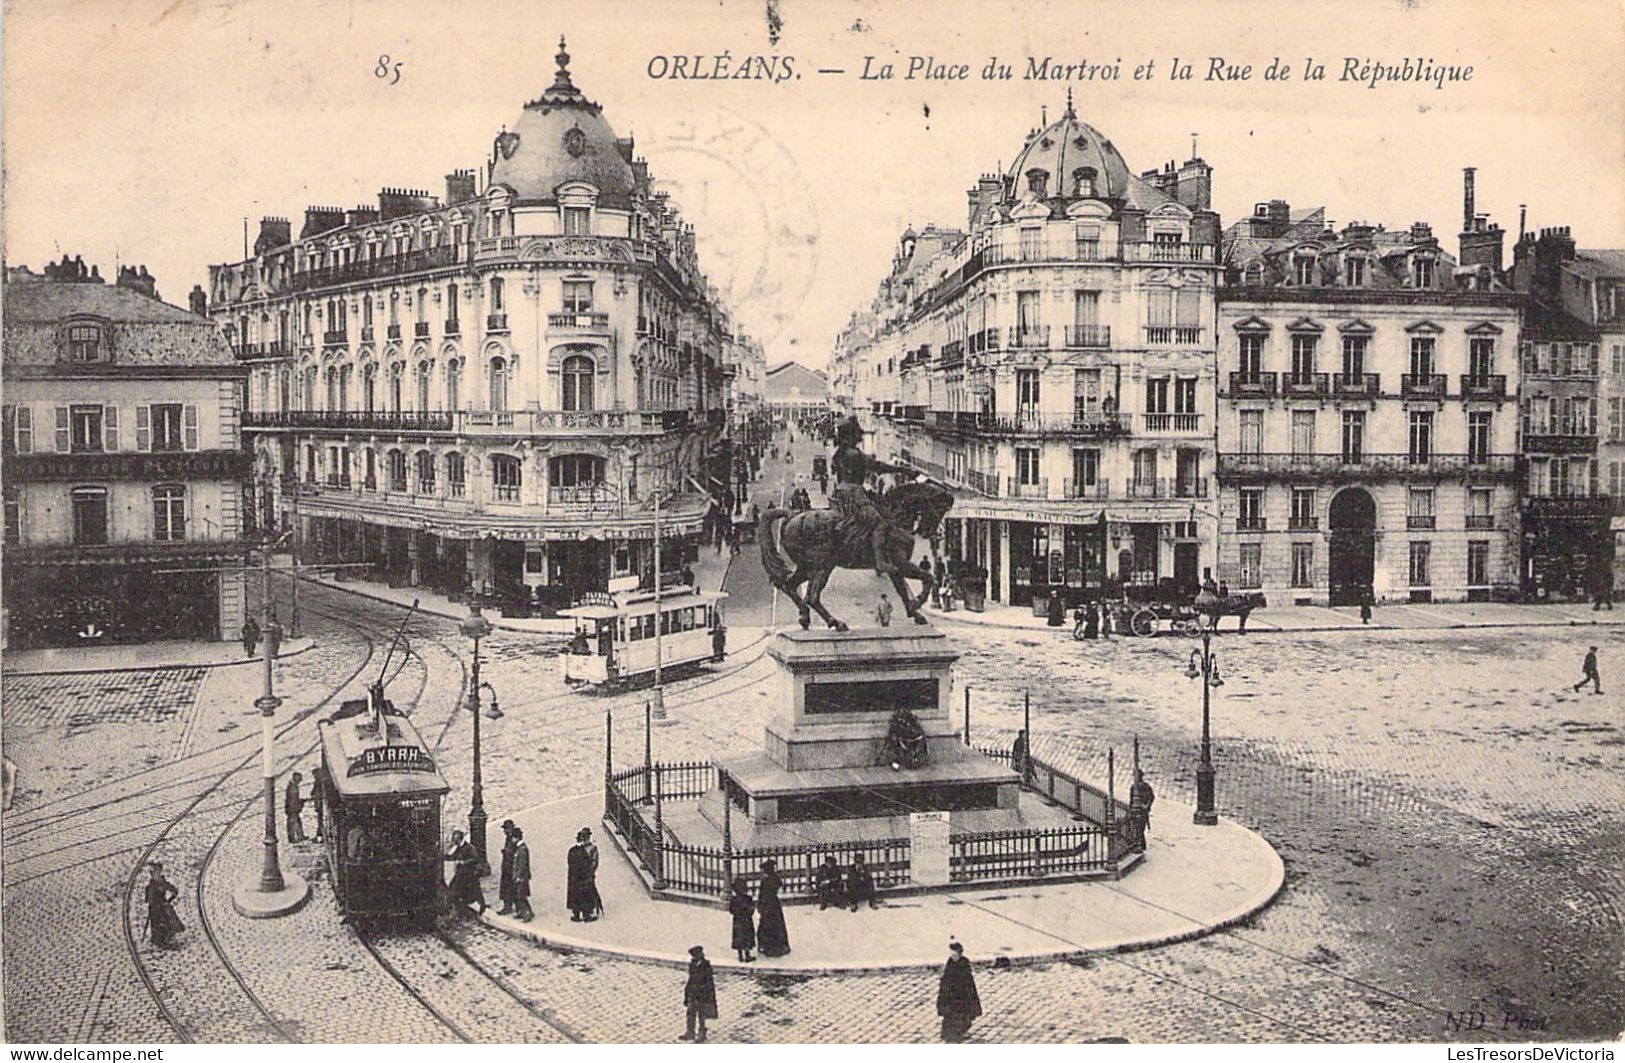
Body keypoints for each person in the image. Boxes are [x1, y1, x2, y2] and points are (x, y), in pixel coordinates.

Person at [829, 415, 915, 575]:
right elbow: (878, 466)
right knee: (879, 521)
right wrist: (903, 470)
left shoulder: (841, 452)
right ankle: (880, 561)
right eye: (858, 433)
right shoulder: (853, 454)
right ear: (851, 435)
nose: (861, 436)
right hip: (852, 493)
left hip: (843, 492)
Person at [936, 940, 982, 1042]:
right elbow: (945, 980)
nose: (953, 956)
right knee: (950, 1017)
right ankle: (950, 1034)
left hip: (961, 996)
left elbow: (968, 982)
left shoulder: (964, 964)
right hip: (951, 996)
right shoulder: (950, 963)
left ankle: (958, 1032)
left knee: (962, 1016)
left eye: (955, 954)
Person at [443, 828, 487, 915]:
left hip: (470, 873)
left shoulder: (470, 848)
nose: (455, 843)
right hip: (461, 873)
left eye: (456, 841)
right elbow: (453, 856)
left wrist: (463, 862)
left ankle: (482, 906)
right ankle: (458, 910)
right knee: (455, 888)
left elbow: (475, 859)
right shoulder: (458, 847)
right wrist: (444, 856)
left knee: (475, 890)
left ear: (460, 839)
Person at [144, 862, 184, 949]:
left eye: (157, 872)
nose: (155, 875)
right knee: (156, 923)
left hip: (162, 906)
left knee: (168, 921)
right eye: (154, 873)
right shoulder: (150, 886)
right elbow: (148, 899)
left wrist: (168, 900)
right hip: (154, 907)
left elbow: (174, 891)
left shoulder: (163, 883)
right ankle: (158, 940)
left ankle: (166, 938)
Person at [681, 945, 717, 1042]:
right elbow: (690, 979)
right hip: (693, 993)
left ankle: (702, 1033)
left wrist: (706, 994)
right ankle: (690, 1032)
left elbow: (709, 982)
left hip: (702, 994)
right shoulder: (692, 964)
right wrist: (687, 993)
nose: (693, 958)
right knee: (690, 1013)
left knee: (702, 1014)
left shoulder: (706, 965)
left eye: (695, 956)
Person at [567, 826, 603, 922]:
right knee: (584, 894)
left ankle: (581, 913)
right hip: (582, 876)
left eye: (587, 836)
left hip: (584, 876)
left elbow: (594, 862)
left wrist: (590, 872)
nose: (586, 838)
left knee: (585, 894)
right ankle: (584, 914)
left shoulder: (591, 847)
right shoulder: (582, 849)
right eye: (584, 837)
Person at [756, 859, 790, 957]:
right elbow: (779, 884)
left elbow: (761, 895)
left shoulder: (765, 881)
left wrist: (759, 906)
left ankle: (768, 947)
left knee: (767, 926)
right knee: (777, 925)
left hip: (767, 905)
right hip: (774, 904)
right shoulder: (775, 878)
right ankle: (778, 946)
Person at [728, 876, 756, 962]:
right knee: (747, 937)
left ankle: (740, 955)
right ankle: (747, 955)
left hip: (737, 921)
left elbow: (731, 910)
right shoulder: (748, 898)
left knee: (739, 937)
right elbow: (751, 910)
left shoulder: (734, 899)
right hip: (747, 921)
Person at [511, 826, 534, 921]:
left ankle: (527, 914)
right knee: (519, 895)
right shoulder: (519, 848)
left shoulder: (522, 849)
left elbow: (522, 865)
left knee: (521, 895)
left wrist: (518, 876)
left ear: (516, 838)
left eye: (512, 838)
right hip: (519, 876)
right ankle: (524, 912)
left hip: (521, 877)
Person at [1130, 768, 1156, 835]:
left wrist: (1147, 806)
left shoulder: (1145, 786)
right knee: (1137, 830)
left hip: (1141, 811)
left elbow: (1151, 797)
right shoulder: (1133, 786)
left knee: (1140, 830)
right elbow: (1131, 799)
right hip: (1135, 811)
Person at [284, 771, 307, 843]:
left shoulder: (292, 785)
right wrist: (299, 805)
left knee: (296, 822)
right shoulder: (293, 787)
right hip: (292, 808)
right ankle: (293, 838)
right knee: (293, 823)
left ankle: (299, 836)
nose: (300, 781)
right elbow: (293, 800)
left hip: (292, 808)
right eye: (299, 779)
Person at [310, 765, 327, 841]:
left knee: (321, 820)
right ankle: (320, 835)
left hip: (321, 803)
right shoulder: (319, 781)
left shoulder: (319, 782)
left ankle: (320, 836)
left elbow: (315, 792)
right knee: (320, 819)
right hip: (319, 803)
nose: (314, 776)